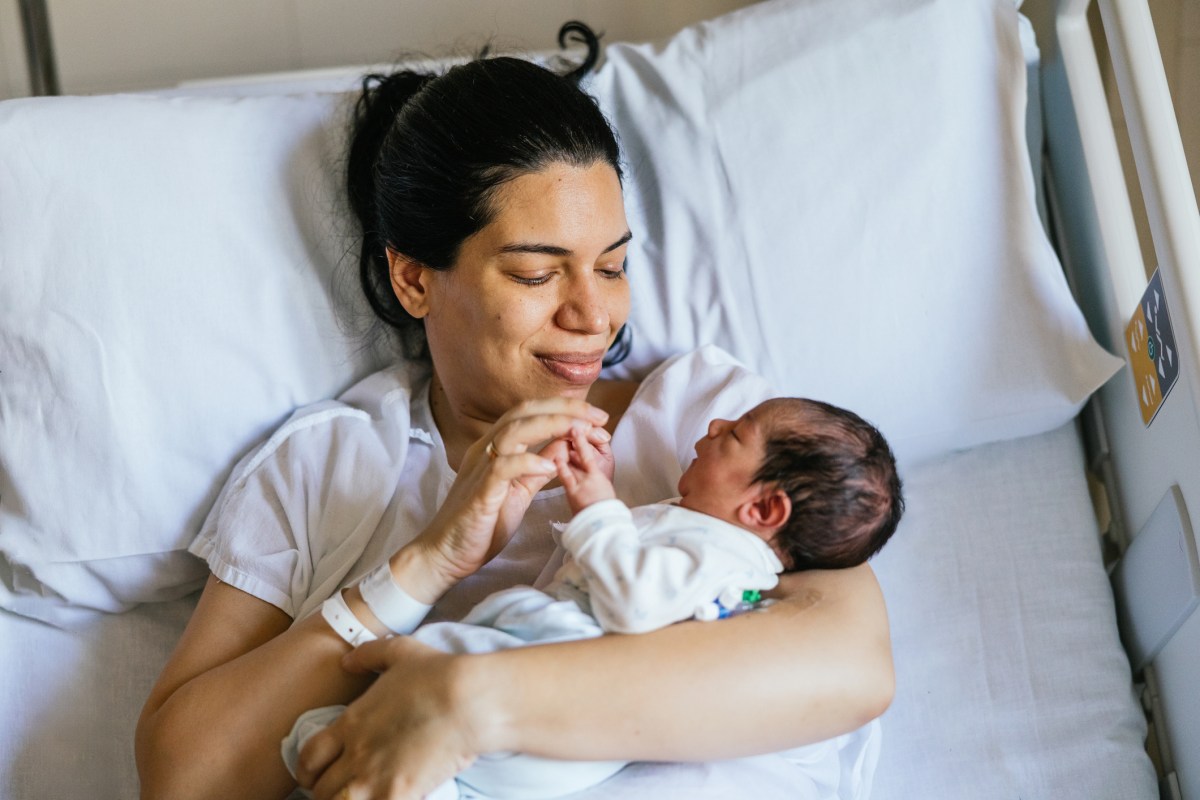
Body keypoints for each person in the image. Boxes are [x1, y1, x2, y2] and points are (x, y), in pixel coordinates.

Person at [135, 35, 895, 800]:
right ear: (414, 278)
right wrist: (423, 565)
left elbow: (850, 666)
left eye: (612, 266)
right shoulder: (325, 468)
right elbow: (182, 781)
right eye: (536, 272)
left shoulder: (707, 424)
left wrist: (467, 703)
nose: (593, 316)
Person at [280, 397, 903, 799]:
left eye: (735, 435)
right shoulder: (699, 529)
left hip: (556, 682)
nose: (711, 424)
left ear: (765, 508)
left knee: (422, 674)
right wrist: (600, 484)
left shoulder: (731, 558)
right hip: (533, 695)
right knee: (326, 735)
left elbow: (634, 600)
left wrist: (598, 507)